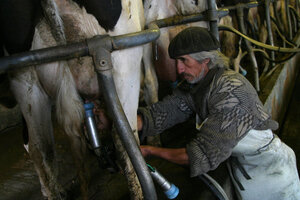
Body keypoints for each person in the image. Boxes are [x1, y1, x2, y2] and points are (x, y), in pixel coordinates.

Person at [137, 27, 300, 200]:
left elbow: (201, 155)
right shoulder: (199, 85)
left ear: (205, 60)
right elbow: (164, 112)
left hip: (271, 173)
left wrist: (150, 151)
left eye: (184, 61)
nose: (179, 69)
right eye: (176, 61)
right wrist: (122, 123)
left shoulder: (231, 92)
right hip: (243, 167)